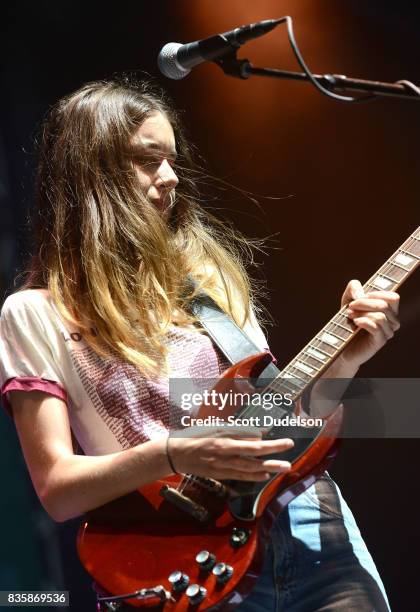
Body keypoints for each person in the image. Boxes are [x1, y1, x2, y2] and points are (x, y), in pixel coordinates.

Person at [0, 78, 399, 611]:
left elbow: (286, 421)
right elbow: (56, 487)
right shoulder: (33, 313)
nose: (169, 178)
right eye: (147, 160)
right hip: (181, 563)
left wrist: (350, 357)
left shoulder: (209, 281)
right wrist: (175, 451)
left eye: (171, 159)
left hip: (311, 530)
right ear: (90, 174)